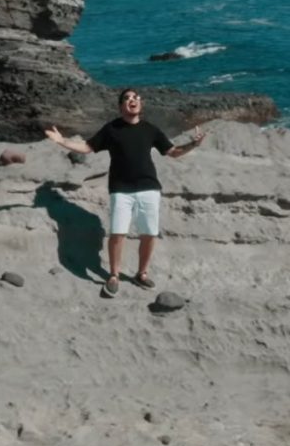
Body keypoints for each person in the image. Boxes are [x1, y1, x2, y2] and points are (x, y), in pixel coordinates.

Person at [45, 88, 205, 298]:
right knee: (118, 233)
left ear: (141, 104)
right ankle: (113, 275)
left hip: (149, 188)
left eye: (136, 97)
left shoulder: (150, 129)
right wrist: (61, 141)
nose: (133, 100)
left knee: (149, 234)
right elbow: (87, 147)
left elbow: (173, 152)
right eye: (127, 98)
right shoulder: (111, 129)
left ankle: (142, 273)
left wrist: (194, 144)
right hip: (121, 189)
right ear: (121, 106)